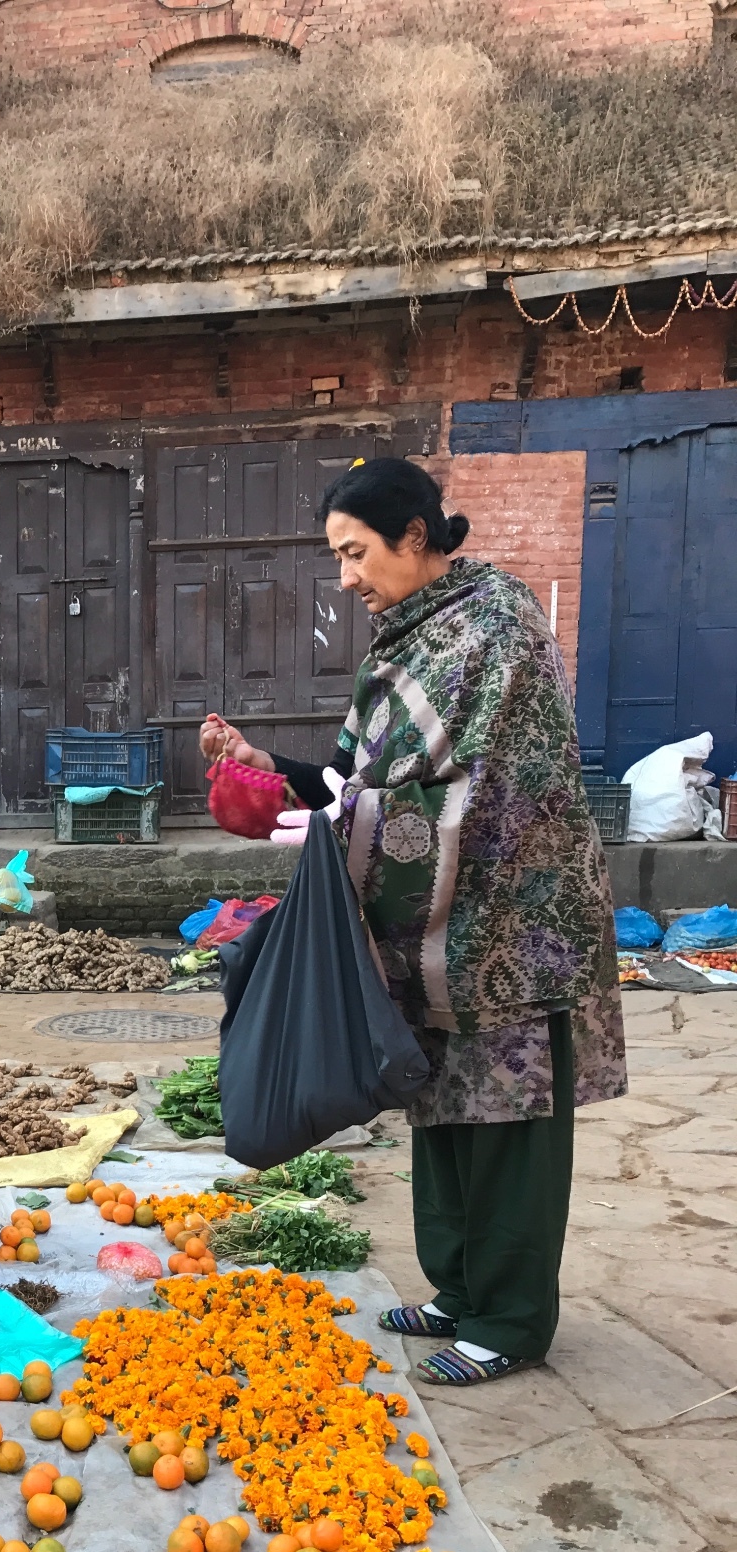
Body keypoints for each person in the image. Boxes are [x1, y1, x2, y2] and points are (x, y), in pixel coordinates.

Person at [201, 457, 624, 1388]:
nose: (345, 577)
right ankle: (459, 1289)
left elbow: (484, 794)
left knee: (508, 1118)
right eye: (338, 558)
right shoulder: (406, 640)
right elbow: (362, 781)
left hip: (514, 922)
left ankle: (508, 1319)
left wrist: (340, 820)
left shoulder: (495, 627)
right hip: (429, 923)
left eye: (356, 553)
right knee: (436, 1100)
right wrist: (261, 761)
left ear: (416, 538)